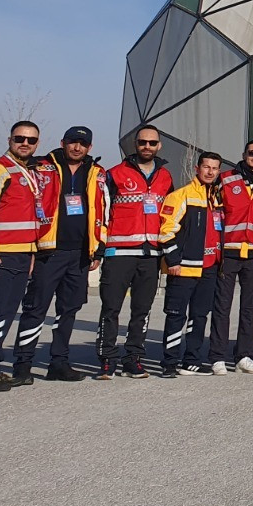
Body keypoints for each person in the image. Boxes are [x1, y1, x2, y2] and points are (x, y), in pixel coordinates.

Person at [14, 126, 105, 382]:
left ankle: (59, 363)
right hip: (48, 251)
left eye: (82, 144)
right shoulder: (41, 167)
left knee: (68, 310)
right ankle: (23, 365)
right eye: (72, 142)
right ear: (63, 143)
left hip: (80, 254)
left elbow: (103, 209)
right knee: (35, 309)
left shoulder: (97, 173)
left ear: (89, 147)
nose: (77, 147)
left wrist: (98, 249)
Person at [0, 121, 48, 391]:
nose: (25, 143)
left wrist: (31, 251)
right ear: (10, 139)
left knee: (5, 314)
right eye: (19, 138)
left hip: (21, 255)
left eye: (31, 140)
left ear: (37, 143)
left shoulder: (27, 172)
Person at [98, 125, 174, 379]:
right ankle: (107, 359)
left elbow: (169, 216)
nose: (147, 147)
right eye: (143, 142)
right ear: (135, 144)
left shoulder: (166, 177)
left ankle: (133, 359)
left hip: (151, 255)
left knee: (142, 311)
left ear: (159, 145)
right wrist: (99, 249)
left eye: (152, 143)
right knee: (111, 309)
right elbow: (101, 213)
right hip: (118, 253)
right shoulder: (115, 174)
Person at [213, 139, 253, 375]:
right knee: (222, 306)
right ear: (244, 154)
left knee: (249, 308)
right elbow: (215, 214)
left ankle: (244, 356)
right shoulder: (225, 179)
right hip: (228, 252)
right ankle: (217, 356)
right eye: (252, 153)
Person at [157, 151, 225, 377]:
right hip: (183, 268)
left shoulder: (217, 198)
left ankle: (192, 361)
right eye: (206, 167)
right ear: (197, 168)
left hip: (209, 268)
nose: (210, 172)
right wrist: (173, 260)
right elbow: (166, 231)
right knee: (176, 315)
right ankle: (169, 362)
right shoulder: (181, 195)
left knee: (200, 315)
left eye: (214, 168)